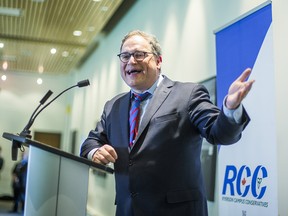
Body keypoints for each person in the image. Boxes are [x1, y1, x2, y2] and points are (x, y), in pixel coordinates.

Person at [80, 30, 254, 216]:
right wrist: (95, 151)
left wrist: (230, 108)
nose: (131, 61)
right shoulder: (113, 106)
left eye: (139, 54)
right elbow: (90, 143)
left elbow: (218, 132)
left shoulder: (188, 94)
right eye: (125, 56)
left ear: (158, 61)